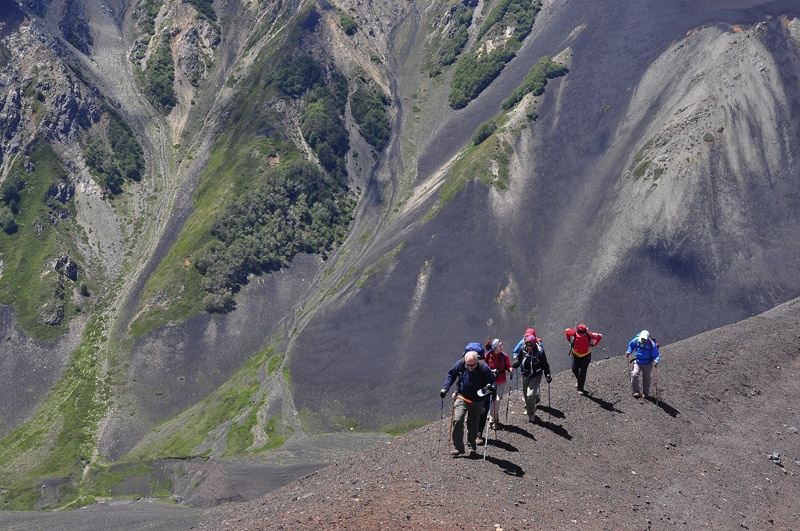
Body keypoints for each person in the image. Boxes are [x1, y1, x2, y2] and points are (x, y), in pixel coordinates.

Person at [440, 350, 496, 456]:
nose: (470, 367)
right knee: (458, 420)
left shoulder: (483, 367)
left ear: (477, 360)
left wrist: (492, 389)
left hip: (477, 400)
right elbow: (451, 375)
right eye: (468, 365)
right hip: (462, 396)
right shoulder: (461, 364)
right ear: (465, 361)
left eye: (472, 365)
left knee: (473, 424)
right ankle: (459, 448)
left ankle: (472, 448)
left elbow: (492, 382)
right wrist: (445, 388)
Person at [512, 332, 552, 423]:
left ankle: (531, 413)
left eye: (530, 345)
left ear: (534, 344)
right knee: (526, 394)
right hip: (525, 374)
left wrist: (548, 375)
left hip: (536, 375)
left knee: (530, 395)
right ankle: (532, 405)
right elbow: (519, 360)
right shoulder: (523, 349)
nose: (528, 347)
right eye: (527, 345)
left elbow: (545, 365)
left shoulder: (540, 352)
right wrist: (514, 365)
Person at [483, 338, 513, 430]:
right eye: (500, 346)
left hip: (501, 382)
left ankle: (493, 421)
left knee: (497, 400)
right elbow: (483, 368)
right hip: (489, 382)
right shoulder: (487, 356)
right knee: (491, 401)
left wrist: (510, 369)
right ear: (494, 347)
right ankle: (495, 417)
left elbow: (508, 366)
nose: (502, 347)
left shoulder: (504, 356)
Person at [565, 323, 603, 395]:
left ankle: (580, 388)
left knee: (582, 371)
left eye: (582, 334)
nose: (580, 335)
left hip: (586, 355)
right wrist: (570, 342)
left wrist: (594, 344)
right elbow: (567, 331)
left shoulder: (590, 334)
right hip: (575, 354)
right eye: (579, 333)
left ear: (585, 332)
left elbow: (600, 336)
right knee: (574, 369)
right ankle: (579, 381)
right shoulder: (574, 332)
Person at [625, 330, 660, 398]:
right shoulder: (637, 340)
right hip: (638, 361)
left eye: (644, 339)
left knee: (646, 378)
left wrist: (656, 360)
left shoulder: (651, 344)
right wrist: (629, 351)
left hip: (647, 363)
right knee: (634, 374)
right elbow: (631, 345)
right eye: (642, 338)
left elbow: (656, 354)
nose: (642, 340)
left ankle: (645, 393)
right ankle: (636, 391)